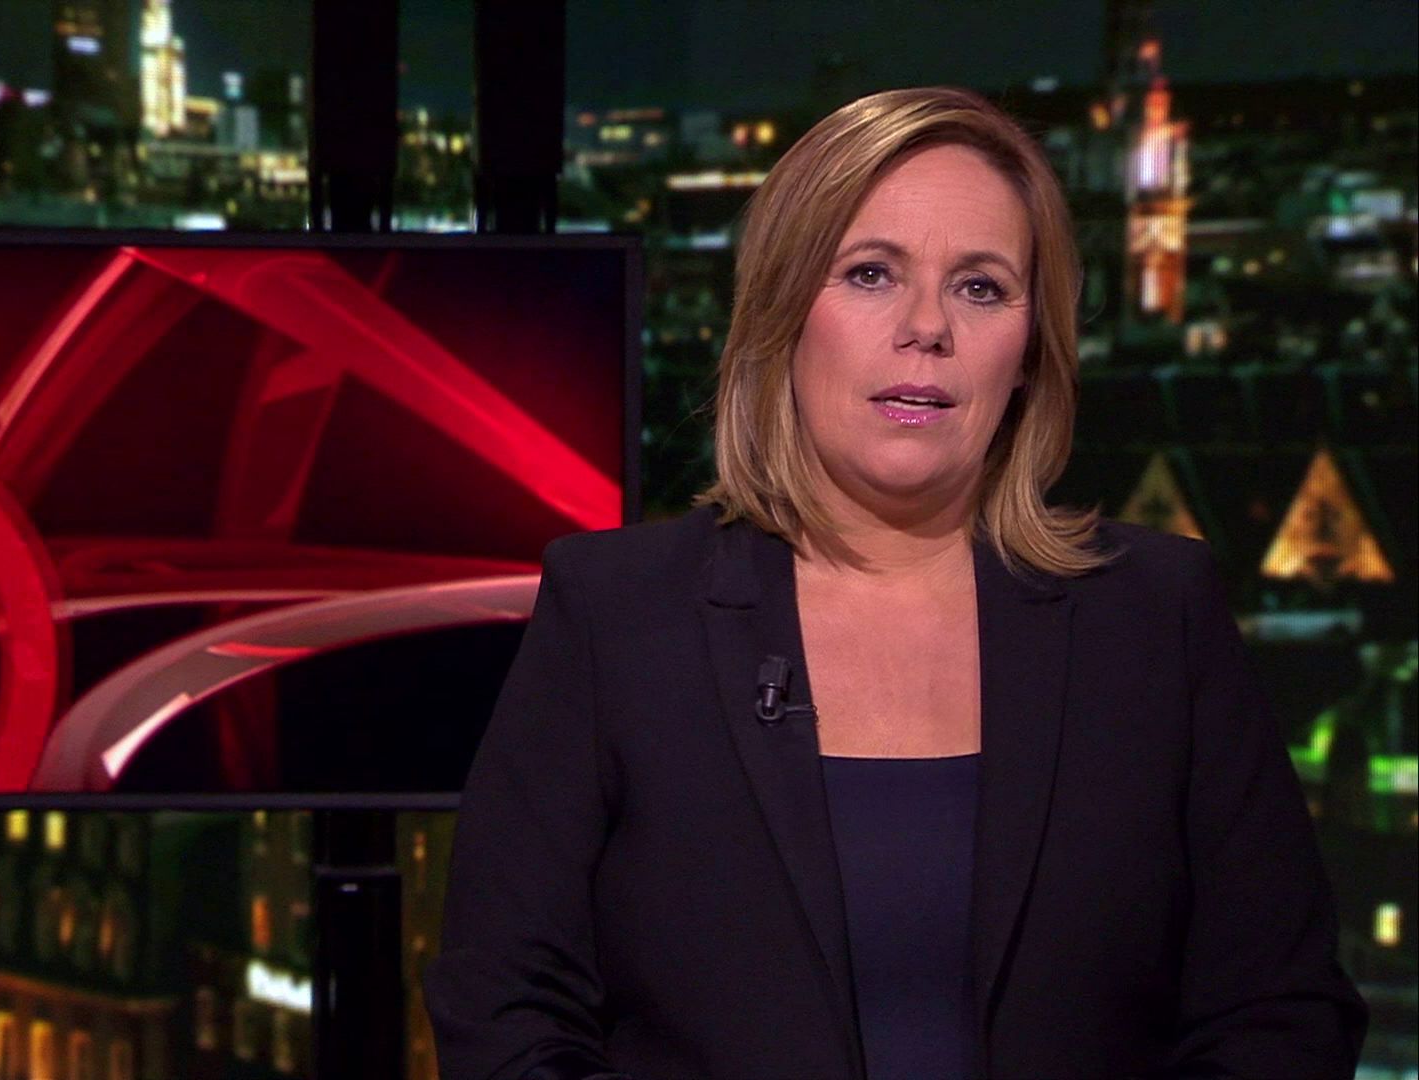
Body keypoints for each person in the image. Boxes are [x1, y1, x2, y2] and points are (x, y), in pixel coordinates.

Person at [421, 86, 1366, 1080]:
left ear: (1030, 350)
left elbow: (1280, 1011)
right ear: (783, 312)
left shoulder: (1156, 614)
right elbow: (505, 1011)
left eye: (981, 288)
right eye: (870, 273)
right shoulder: (616, 614)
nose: (927, 327)